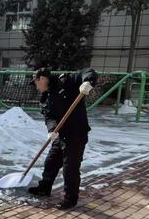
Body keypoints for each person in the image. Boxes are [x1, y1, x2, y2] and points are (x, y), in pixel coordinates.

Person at [28, 67, 98, 210]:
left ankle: (70, 199)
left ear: (42, 79)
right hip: (60, 135)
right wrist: (52, 130)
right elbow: (49, 118)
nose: (36, 86)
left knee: (70, 168)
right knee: (51, 162)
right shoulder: (45, 98)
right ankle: (44, 188)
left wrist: (88, 82)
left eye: (35, 83)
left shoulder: (67, 82)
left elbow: (87, 71)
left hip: (76, 134)